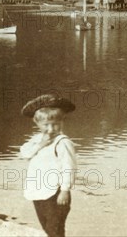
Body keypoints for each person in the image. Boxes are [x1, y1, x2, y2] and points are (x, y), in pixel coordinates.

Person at [20, 94, 77, 237]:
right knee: (46, 227)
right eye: (46, 125)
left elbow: (69, 168)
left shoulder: (62, 142)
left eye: (56, 124)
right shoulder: (37, 139)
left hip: (55, 194)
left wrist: (65, 190)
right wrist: (40, 145)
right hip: (39, 191)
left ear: (62, 122)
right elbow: (25, 153)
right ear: (37, 124)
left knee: (55, 229)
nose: (51, 129)